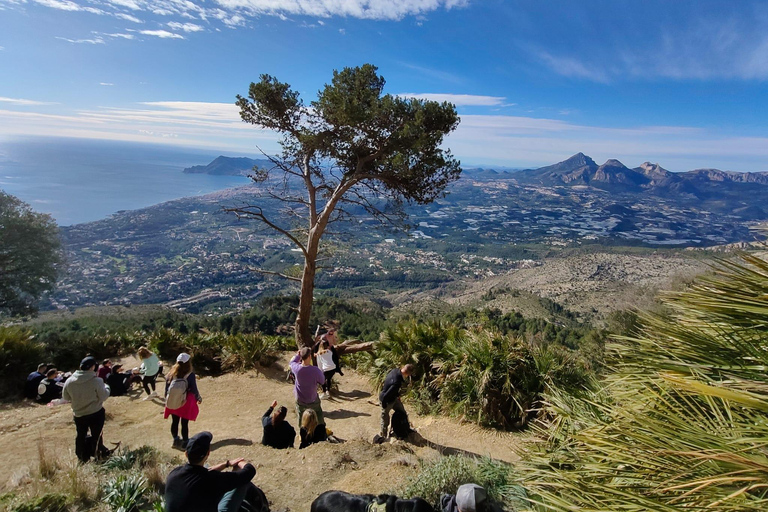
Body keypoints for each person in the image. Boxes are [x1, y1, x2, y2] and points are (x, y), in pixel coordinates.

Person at [164, 431, 268, 512]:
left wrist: (226, 464)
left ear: (186, 454)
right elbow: (249, 472)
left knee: (207, 467)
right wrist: (240, 463)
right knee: (241, 483)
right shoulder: (212, 480)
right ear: (208, 453)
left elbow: (205, 471)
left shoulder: (173, 474)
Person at [62, 356, 111, 462]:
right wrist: (106, 387)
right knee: (96, 435)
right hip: (95, 412)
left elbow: (66, 397)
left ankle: (81, 456)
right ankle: (98, 453)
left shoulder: (69, 381)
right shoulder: (97, 381)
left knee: (81, 435)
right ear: (93, 367)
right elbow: (103, 396)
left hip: (79, 414)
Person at [163, 352, 202, 449]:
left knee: (174, 421)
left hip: (173, 400)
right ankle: (185, 442)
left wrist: (167, 398)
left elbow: (167, 388)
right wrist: (198, 398)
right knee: (184, 423)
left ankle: (175, 440)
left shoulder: (171, 373)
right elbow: (193, 389)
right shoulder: (190, 375)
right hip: (185, 401)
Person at [289, 347, 326, 424]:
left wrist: (297, 355)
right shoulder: (315, 370)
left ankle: (302, 433)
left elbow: (291, 362)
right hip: (312, 399)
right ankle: (321, 431)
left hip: (300, 400)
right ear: (309, 356)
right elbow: (322, 381)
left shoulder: (296, 368)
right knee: (318, 415)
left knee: (301, 418)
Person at [378, 364, 414, 440]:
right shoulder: (397, 381)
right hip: (387, 400)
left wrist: (397, 396)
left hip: (394, 398)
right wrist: (384, 403)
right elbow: (387, 393)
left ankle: (406, 428)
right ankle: (383, 436)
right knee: (385, 419)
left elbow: (388, 385)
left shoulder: (395, 370)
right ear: (408, 373)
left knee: (402, 412)